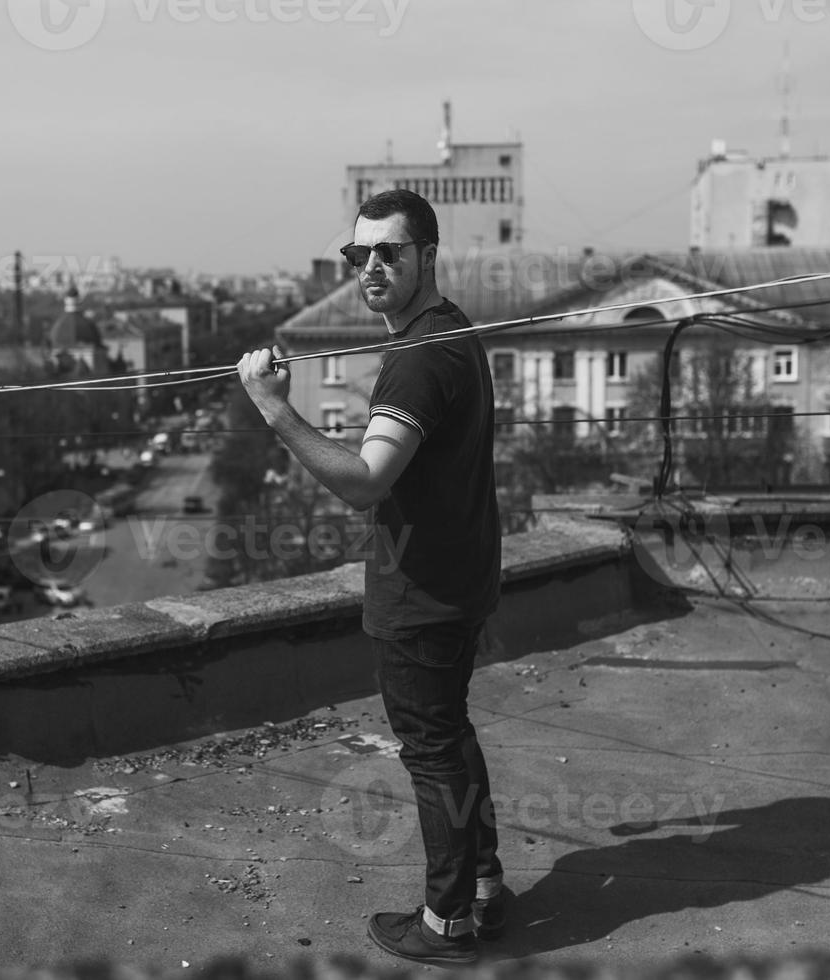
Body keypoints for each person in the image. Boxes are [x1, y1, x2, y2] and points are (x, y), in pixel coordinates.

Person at [237, 189, 504, 966]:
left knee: (430, 750)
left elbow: (363, 480)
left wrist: (274, 410)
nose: (373, 267)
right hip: (459, 578)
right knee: (449, 734)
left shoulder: (418, 360)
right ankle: (482, 886)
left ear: (428, 254)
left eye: (391, 251)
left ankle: (447, 922)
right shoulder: (450, 333)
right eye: (360, 255)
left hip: (423, 593)